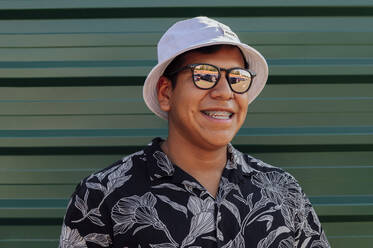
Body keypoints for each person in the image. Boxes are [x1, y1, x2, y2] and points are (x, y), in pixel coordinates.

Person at [59, 16, 330, 248]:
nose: (224, 92)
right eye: (204, 75)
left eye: (236, 78)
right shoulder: (102, 194)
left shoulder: (282, 191)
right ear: (166, 92)